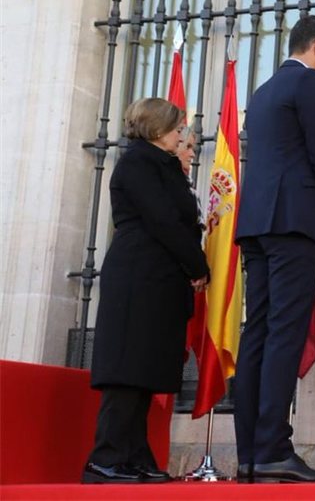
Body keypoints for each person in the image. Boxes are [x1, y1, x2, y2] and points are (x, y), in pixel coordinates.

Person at [233, 15, 315, 484]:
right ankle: (275, 449)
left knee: (257, 331)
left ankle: (250, 456)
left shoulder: (262, 92)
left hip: (256, 223)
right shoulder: (310, 85)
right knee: (284, 331)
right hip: (294, 220)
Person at [84, 98, 208, 484]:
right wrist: (197, 264)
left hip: (159, 278)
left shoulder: (163, 165)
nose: (180, 133)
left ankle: (135, 457)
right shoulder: (138, 162)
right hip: (138, 275)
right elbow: (163, 220)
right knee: (127, 368)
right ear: (157, 129)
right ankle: (106, 458)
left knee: (144, 369)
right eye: (176, 127)